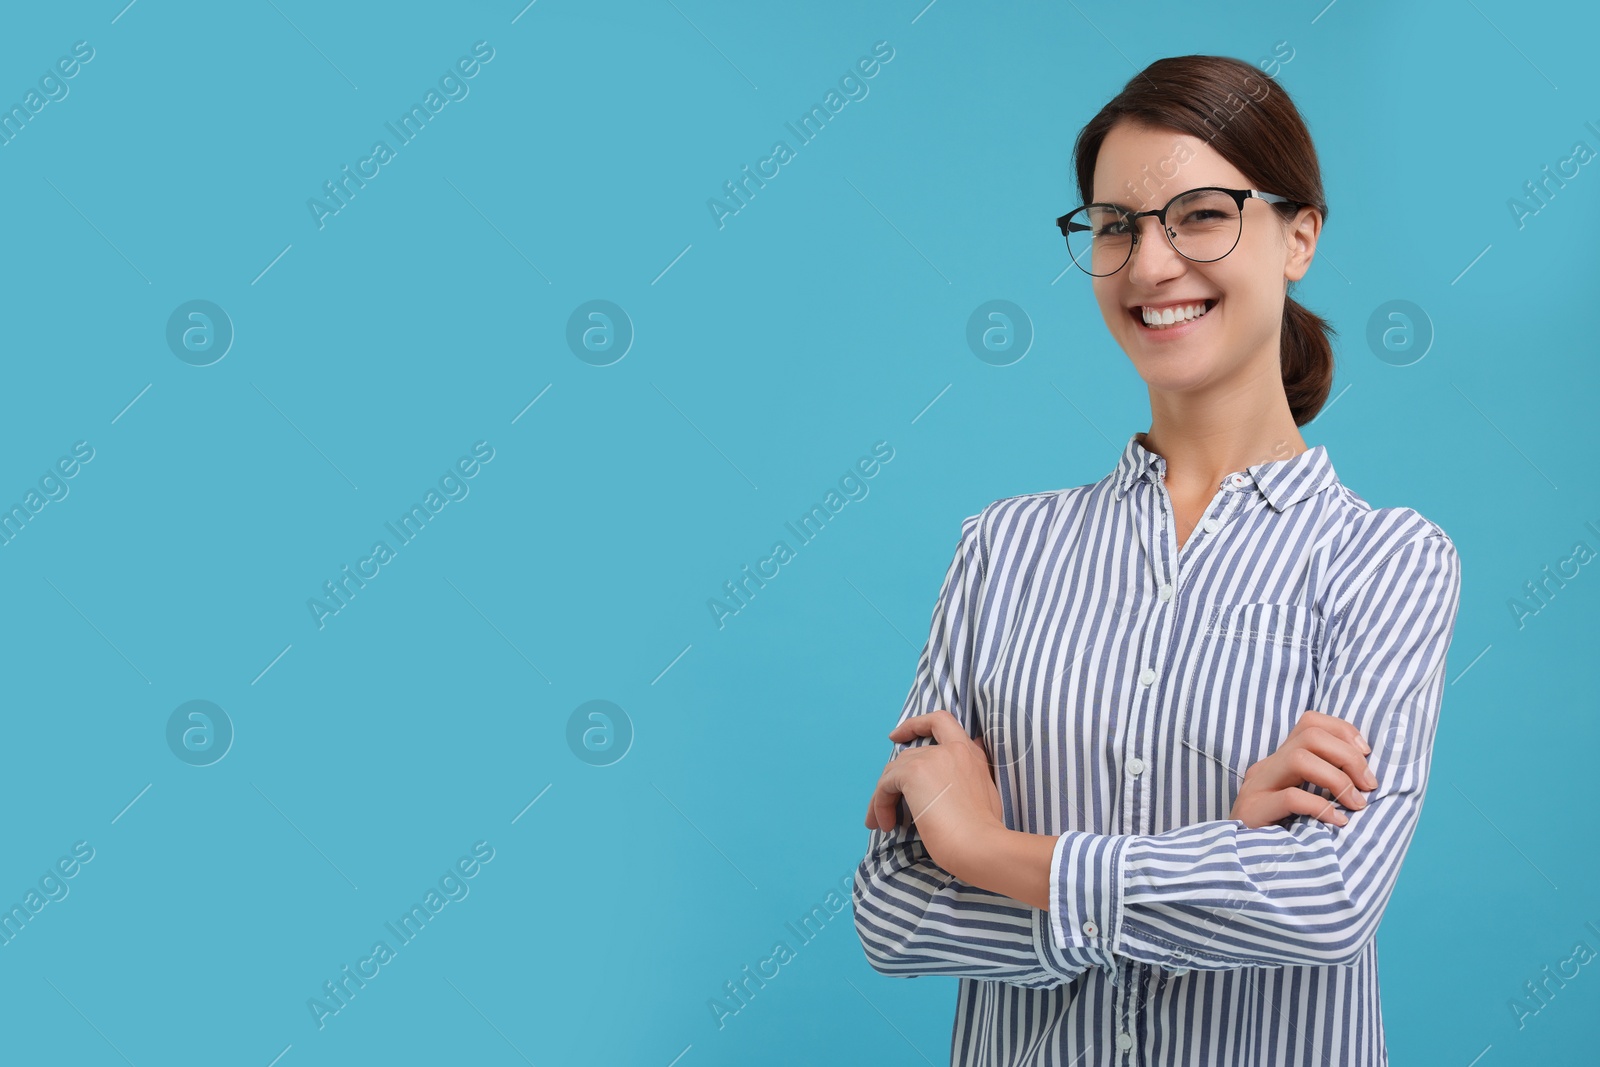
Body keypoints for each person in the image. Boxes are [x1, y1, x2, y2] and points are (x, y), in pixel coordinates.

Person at [852, 54, 1462, 1067]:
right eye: (1116, 225)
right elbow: (896, 916)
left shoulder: (1385, 560)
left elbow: (1325, 900)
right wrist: (1217, 858)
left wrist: (985, 852)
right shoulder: (1003, 547)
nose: (1148, 266)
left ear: (1298, 234)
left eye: (1201, 214)